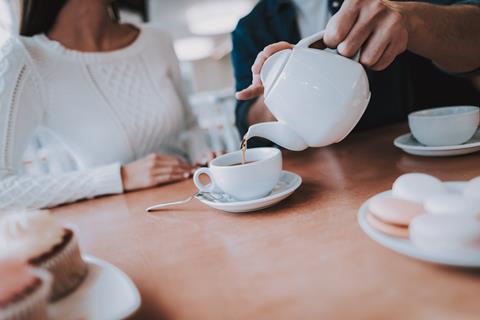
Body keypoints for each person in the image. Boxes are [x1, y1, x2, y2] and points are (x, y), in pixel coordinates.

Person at [0, 0, 202, 210]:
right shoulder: (26, 59)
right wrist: (120, 177)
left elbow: (191, 126)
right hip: (117, 228)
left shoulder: (157, 40)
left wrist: (204, 157)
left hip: (194, 207)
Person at [232, 0, 480, 144]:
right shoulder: (251, 28)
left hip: (446, 148)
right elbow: (248, 116)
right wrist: (287, 80)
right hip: (337, 182)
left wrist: (410, 21)